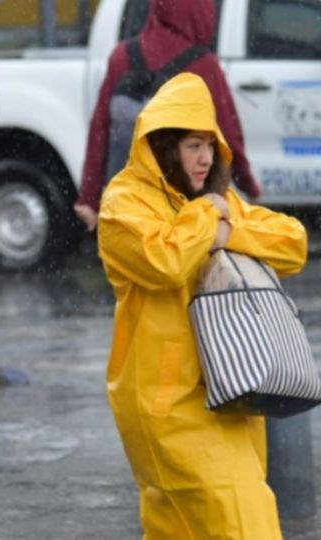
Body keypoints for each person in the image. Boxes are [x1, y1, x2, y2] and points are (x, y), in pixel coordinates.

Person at [98, 72, 307, 538]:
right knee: (243, 520)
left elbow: (292, 244)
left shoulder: (214, 201)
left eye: (210, 146)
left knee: (188, 526)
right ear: (163, 144)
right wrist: (208, 215)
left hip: (232, 387)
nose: (205, 157)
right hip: (167, 401)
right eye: (193, 145)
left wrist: (227, 229)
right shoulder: (123, 203)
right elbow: (164, 260)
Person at [75, 0, 261, 232]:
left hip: (128, 204)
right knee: (178, 263)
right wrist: (248, 185)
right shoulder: (204, 65)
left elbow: (100, 130)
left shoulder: (121, 56)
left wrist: (89, 199)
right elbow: (229, 137)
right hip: (185, 210)